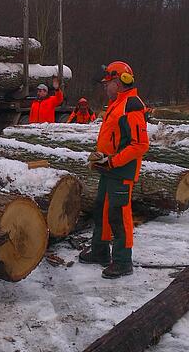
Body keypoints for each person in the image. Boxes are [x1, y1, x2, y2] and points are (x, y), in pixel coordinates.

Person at [79, 61, 149, 278]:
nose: (105, 88)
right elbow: (114, 139)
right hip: (109, 167)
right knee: (101, 209)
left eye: (107, 84)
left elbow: (140, 144)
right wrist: (101, 158)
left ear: (118, 83)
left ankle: (122, 260)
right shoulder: (117, 104)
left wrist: (113, 161)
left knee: (119, 214)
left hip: (121, 170)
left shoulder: (132, 106)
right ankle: (100, 251)